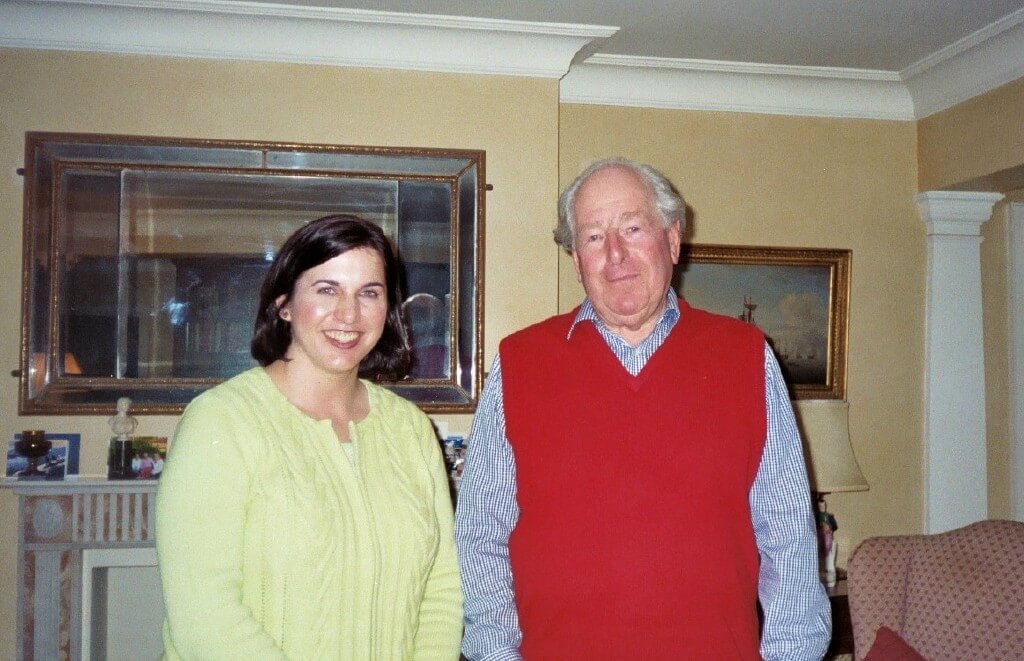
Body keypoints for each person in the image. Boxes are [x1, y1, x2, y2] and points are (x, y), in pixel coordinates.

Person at [455, 159, 830, 659]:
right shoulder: (519, 363)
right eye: (592, 237)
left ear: (672, 241)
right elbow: (481, 537)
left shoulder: (745, 357)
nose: (615, 255)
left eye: (633, 228)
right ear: (575, 260)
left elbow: (788, 541)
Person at [157, 214, 462, 659]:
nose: (349, 314)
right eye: (327, 289)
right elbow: (206, 617)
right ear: (284, 303)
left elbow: (441, 590)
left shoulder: (411, 429)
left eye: (369, 293)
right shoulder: (220, 422)